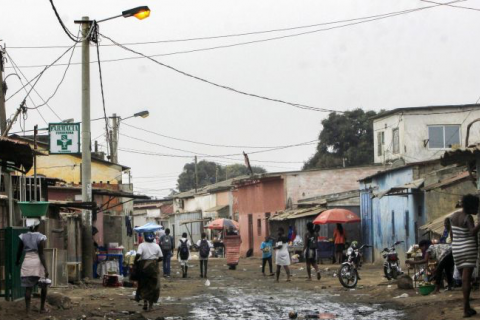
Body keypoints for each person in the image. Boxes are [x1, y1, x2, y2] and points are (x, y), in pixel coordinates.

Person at [450, 194, 480, 318]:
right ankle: (465, 309)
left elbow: (452, 234)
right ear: (470, 206)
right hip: (468, 249)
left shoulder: (453, 216)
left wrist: (455, 244)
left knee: (464, 279)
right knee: (466, 279)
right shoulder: (467, 217)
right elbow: (472, 232)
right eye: (476, 206)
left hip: (456, 249)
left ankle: (467, 308)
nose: (477, 209)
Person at [16, 218, 49, 314]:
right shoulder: (41, 237)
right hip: (37, 262)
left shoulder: (23, 236)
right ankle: (42, 308)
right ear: (38, 226)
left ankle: (27, 311)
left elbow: (19, 251)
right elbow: (41, 254)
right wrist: (46, 268)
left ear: (28, 226)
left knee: (28, 288)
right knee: (43, 286)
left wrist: (17, 261)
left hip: (27, 261)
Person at [134, 231, 163, 311]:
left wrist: (135, 262)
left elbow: (138, 255)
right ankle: (150, 306)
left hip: (144, 267)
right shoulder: (156, 246)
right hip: (154, 268)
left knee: (144, 285)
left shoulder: (141, 245)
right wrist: (155, 261)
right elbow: (161, 257)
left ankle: (145, 302)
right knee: (154, 286)